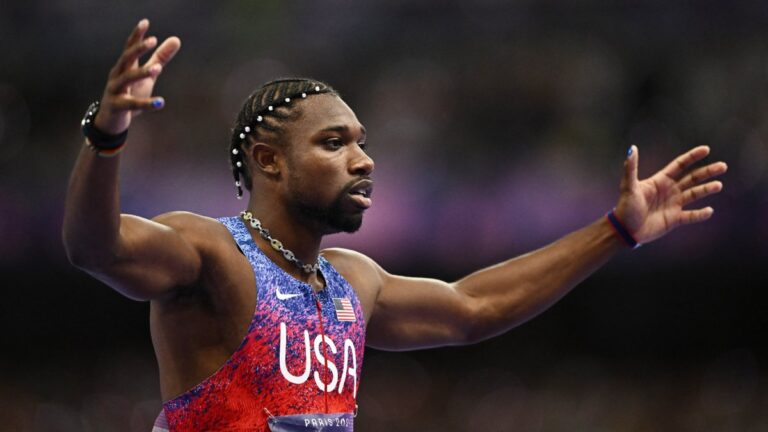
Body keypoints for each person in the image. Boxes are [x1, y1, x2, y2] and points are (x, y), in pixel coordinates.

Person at [62, 19, 728, 432]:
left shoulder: (355, 282)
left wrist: (616, 229)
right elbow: (96, 247)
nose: (364, 159)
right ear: (269, 161)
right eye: (335, 143)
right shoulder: (209, 251)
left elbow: (475, 306)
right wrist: (107, 134)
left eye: (362, 141)